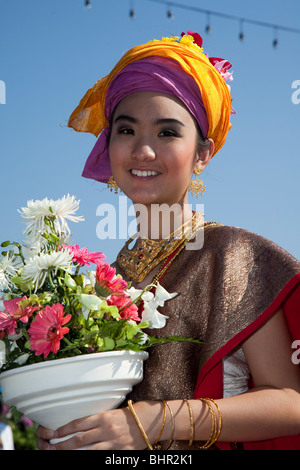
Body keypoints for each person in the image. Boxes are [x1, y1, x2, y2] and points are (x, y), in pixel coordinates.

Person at [36, 31, 300, 450]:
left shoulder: (234, 256)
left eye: (166, 133)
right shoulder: (102, 283)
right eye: (126, 130)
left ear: (203, 154)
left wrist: (155, 422)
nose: (142, 150)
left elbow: (292, 403)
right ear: (109, 145)